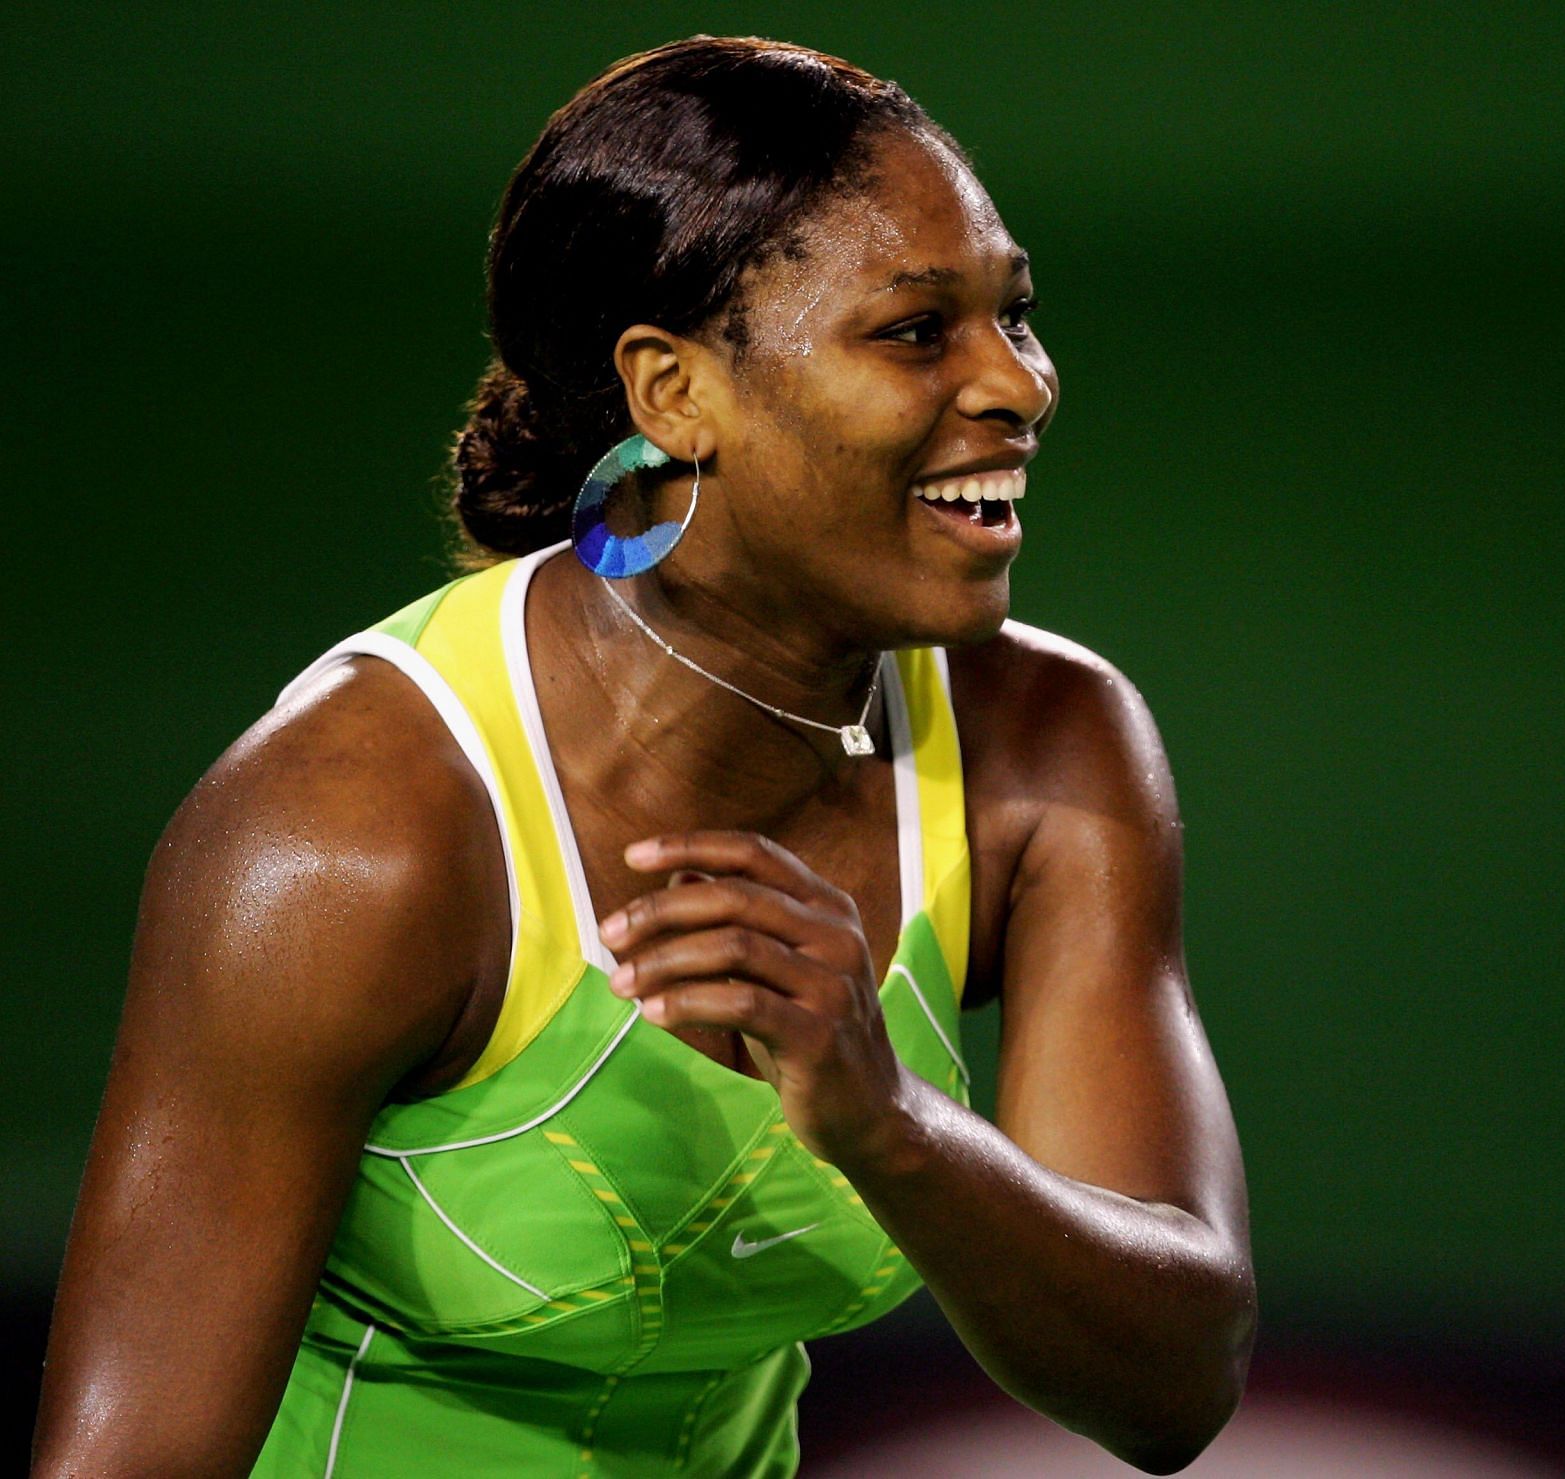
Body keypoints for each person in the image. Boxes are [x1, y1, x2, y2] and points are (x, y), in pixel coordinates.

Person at [32, 36, 1255, 1477]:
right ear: (674, 396)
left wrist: (895, 1125)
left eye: (1018, 315)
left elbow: (1176, 1381)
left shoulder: (1051, 748)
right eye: (918, 332)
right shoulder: (346, 833)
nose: (1019, 385)